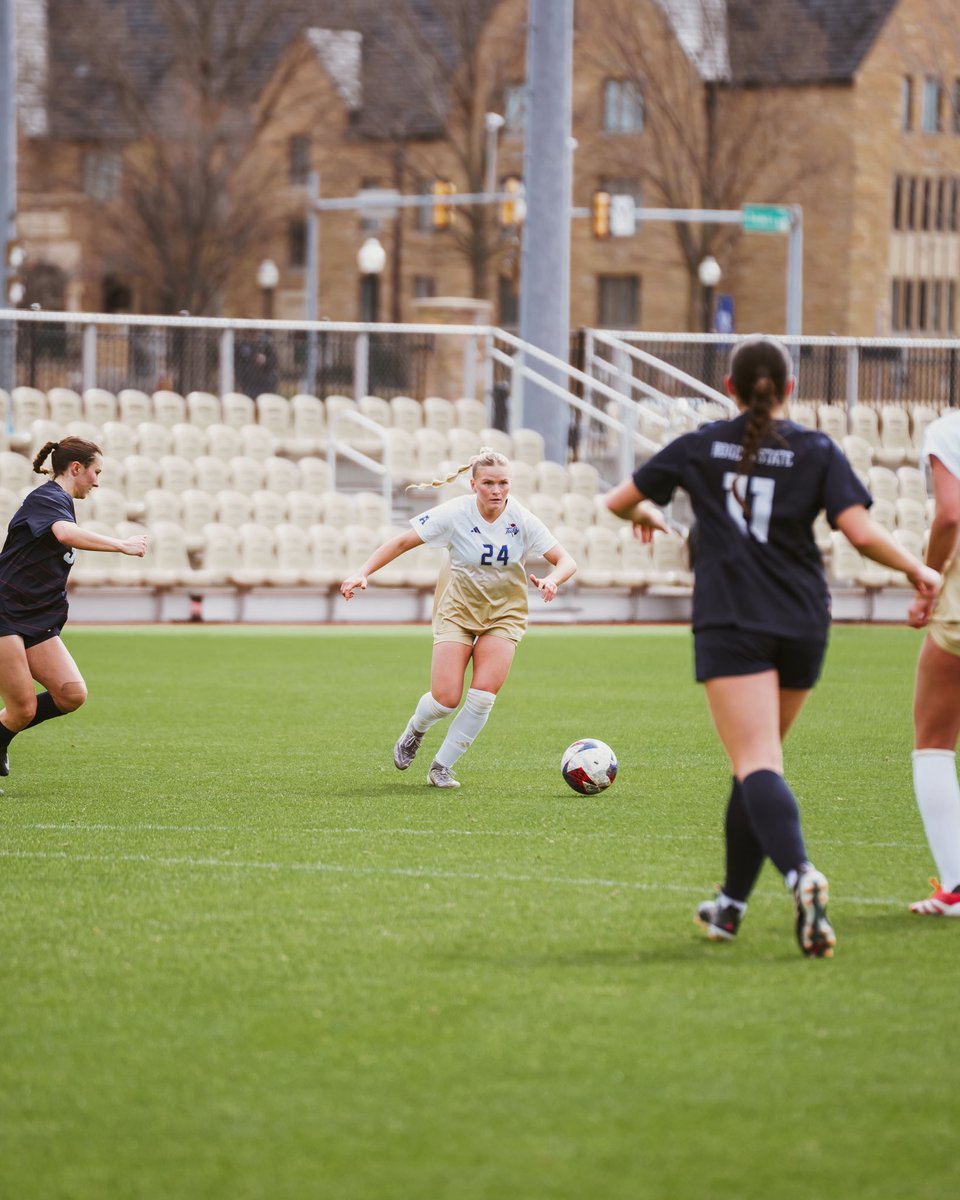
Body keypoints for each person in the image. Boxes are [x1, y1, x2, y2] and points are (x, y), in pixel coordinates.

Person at [604, 334, 940, 958]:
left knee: (756, 760)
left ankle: (800, 875)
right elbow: (860, 533)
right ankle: (729, 906)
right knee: (757, 762)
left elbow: (621, 501)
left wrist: (648, 519)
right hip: (805, 619)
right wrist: (918, 572)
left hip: (733, 619)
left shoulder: (700, 444)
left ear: (729, 387)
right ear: (790, 389)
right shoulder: (815, 448)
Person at [340, 447, 577, 788]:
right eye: (488, 483)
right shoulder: (455, 514)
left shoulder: (521, 518)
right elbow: (403, 542)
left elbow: (566, 560)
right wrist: (363, 572)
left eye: (504, 483)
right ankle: (415, 730)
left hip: (505, 613)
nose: (497, 491)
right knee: (446, 698)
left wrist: (553, 579)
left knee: (482, 697)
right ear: (473, 484)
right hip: (457, 610)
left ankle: (441, 767)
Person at [0, 437, 147, 776]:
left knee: (70, 694)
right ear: (76, 468)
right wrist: (120, 544)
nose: (97, 481)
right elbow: (65, 534)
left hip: (36, 616)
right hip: (6, 611)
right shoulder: (46, 497)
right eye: (96, 472)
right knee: (20, 710)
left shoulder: (60, 501)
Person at [906, 410, 960, 915]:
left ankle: (956, 884)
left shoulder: (949, 429)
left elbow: (949, 515)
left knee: (934, 744)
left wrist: (929, 580)